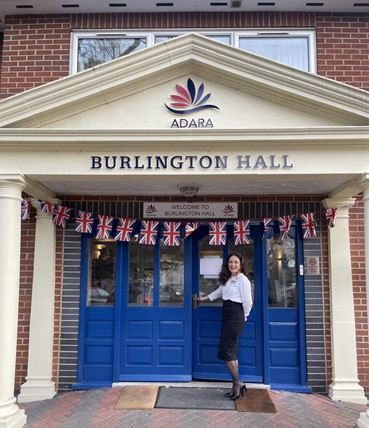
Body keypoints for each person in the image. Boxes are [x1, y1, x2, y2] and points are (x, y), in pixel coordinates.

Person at [198, 252, 253, 400]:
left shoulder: (243, 280)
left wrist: (245, 316)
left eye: (236, 262)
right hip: (227, 315)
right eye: (230, 262)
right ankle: (235, 386)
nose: (233, 265)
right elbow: (219, 292)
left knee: (226, 352)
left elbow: (248, 302)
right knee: (232, 352)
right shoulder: (228, 279)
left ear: (241, 264)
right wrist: (205, 298)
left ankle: (238, 383)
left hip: (236, 316)